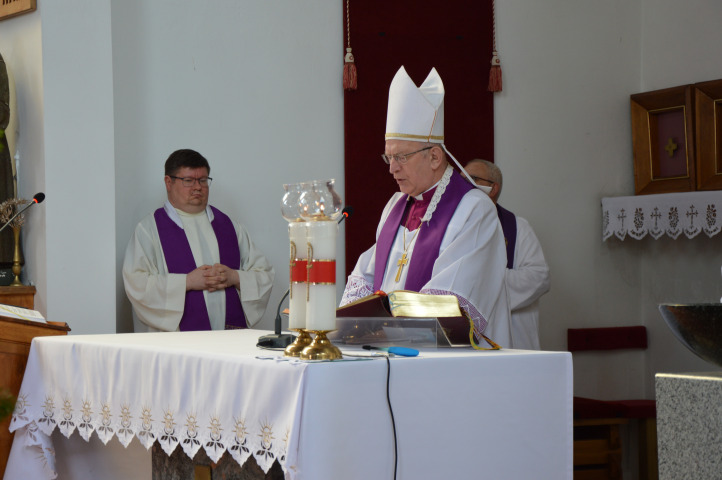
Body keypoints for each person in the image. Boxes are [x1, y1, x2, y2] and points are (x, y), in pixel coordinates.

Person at [340, 66, 512, 347]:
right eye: (388, 157)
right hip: (393, 350)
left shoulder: (474, 210)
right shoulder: (396, 206)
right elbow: (367, 275)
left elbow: (453, 300)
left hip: (452, 358)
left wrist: (389, 329)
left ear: (434, 157)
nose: (392, 168)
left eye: (401, 157)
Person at [123, 149, 274, 332]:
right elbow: (137, 284)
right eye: (188, 180)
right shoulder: (149, 230)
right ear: (168, 182)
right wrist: (186, 282)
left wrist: (234, 277)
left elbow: (264, 274)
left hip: (228, 340)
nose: (197, 187)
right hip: (176, 344)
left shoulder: (230, 227)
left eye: (203, 180)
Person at [464, 159, 551, 349]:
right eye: (462, 179)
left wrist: (484, 284)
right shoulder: (457, 227)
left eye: (473, 178)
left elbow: (539, 277)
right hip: (467, 335)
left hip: (515, 335)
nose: (465, 184)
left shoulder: (518, 228)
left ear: (493, 188)